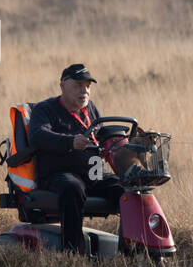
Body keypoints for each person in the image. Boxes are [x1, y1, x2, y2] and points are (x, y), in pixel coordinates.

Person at [27, 63, 125, 255]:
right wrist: (70, 142)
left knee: (128, 191)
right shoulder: (44, 110)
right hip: (60, 175)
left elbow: (104, 137)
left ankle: (130, 253)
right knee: (73, 188)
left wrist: (135, 142)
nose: (84, 91)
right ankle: (74, 256)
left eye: (88, 86)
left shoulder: (92, 109)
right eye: (78, 85)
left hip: (94, 174)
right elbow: (38, 136)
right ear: (63, 85)